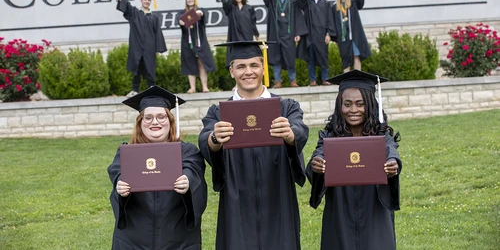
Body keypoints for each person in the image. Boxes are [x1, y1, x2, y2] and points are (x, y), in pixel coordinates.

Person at [198, 41, 309, 250]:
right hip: (236, 196)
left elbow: (300, 131)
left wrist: (290, 134)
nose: (248, 72)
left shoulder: (286, 107)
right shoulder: (219, 113)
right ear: (231, 71)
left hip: (278, 193)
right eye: (241, 67)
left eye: (254, 65)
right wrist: (215, 138)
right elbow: (205, 140)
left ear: (263, 68)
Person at [306, 70, 402, 250]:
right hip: (340, 210)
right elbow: (319, 153)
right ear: (339, 106)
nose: (353, 110)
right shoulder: (330, 136)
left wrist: (392, 165)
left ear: (371, 105)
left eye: (360, 104)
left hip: (374, 208)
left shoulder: (382, 135)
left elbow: (391, 152)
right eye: (347, 104)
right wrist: (317, 163)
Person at [108, 85, 207, 250]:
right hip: (135, 239)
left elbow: (192, 168)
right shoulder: (127, 153)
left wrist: (187, 181)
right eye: (148, 117)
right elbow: (117, 172)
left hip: (177, 238)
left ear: (170, 121)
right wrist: (120, 185)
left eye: (161, 116)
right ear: (140, 123)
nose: (155, 122)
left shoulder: (187, 150)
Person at [111, 0, 167, 97]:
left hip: (149, 48)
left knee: (150, 69)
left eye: (148, 0)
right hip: (137, 46)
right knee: (136, 68)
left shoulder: (154, 17)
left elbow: (158, 33)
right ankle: (134, 90)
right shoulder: (135, 13)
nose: (146, 1)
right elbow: (124, 2)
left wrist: (157, 48)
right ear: (141, 0)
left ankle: (152, 89)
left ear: (150, 2)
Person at [259, 0, 308, 88]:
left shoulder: (292, 2)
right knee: (276, 59)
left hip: (289, 34)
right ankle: (278, 81)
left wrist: (297, 33)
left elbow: (298, 16)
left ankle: (293, 80)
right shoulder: (272, 1)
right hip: (276, 34)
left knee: (290, 58)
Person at [213, 0, 260, 67]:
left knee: (248, 58)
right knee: (237, 60)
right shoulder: (231, 8)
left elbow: (253, 23)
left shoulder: (249, 8)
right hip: (235, 36)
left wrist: (257, 36)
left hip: (247, 37)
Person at [297, 0, 335, 86]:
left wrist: (328, 34)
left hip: (322, 35)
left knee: (324, 58)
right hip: (311, 36)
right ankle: (312, 80)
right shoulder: (308, 3)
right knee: (311, 59)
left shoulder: (326, 4)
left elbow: (330, 19)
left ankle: (325, 79)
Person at [331, 0, 371, 73]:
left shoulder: (352, 4)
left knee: (356, 56)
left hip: (354, 36)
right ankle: (347, 81)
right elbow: (332, 23)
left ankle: (357, 77)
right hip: (343, 38)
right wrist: (335, 38)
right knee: (346, 60)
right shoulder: (335, 7)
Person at [178, 0, 216, 94]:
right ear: (186, 1)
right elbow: (181, 22)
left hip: (200, 41)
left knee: (201, 63)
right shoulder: (181, 13)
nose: (190, 0)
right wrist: (188, 18)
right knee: (190, 63)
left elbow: (201, 14)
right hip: (188, 42)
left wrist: (193, 15)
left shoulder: (200, 10)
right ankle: (192, 88)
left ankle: (204, 87)